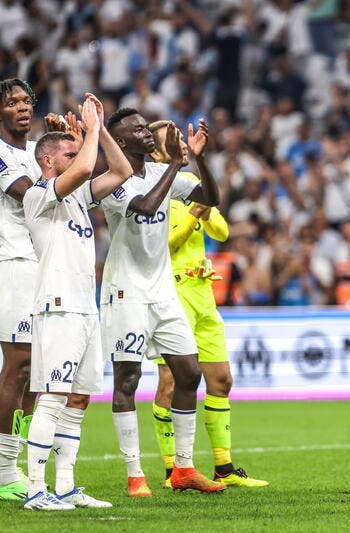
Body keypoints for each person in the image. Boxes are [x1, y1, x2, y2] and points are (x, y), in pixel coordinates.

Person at [101, 108, 225, 496]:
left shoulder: (163, 172)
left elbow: (211, 199)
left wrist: (200, 160)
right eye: (137, 129)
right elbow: (145, 206)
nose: (146, 131)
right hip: (126, 291)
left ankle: (184, 469)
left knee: (189, 374)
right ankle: (135, 474)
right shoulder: (112, 181)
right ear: (121, 143)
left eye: (145, 125)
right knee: (128, 380)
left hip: (162, 292)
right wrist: (175, 164)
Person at [21, 94, 133, 510]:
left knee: (79, 398)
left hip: (87, 308)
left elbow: (120, 169)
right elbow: (87, 165)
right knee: (52, 395)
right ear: (49, 161)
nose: (78, 153)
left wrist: (100, 131)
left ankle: (65, 485)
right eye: (67, 150)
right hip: (57, 306)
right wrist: (86, 131)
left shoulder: (77, 198)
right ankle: (36, 489)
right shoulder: (39, 194)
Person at [147, 119, 267, 489]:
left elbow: (223, 231)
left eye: (179, 136)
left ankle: (224, 467)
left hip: (203, 294)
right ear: (155, 150)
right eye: (172, 139)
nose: (179, 142)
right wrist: (193, 217)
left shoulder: (190, 189)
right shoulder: (153, 191)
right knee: (170, 379)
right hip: (172, 293)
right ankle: (172, 470)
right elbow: (161, 247)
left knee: (222, 379)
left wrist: (203, 207)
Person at [0, 78, 42, 501]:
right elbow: (28, 194)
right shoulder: (1, 154)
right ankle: (3, 470)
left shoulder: (36, 152)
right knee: (18, 365)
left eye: (26, 100)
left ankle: (16, 463)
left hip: (43, 266)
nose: (21, 107)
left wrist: (77, 141)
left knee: (35, 372)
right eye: (12, 102)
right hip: (11, 264)